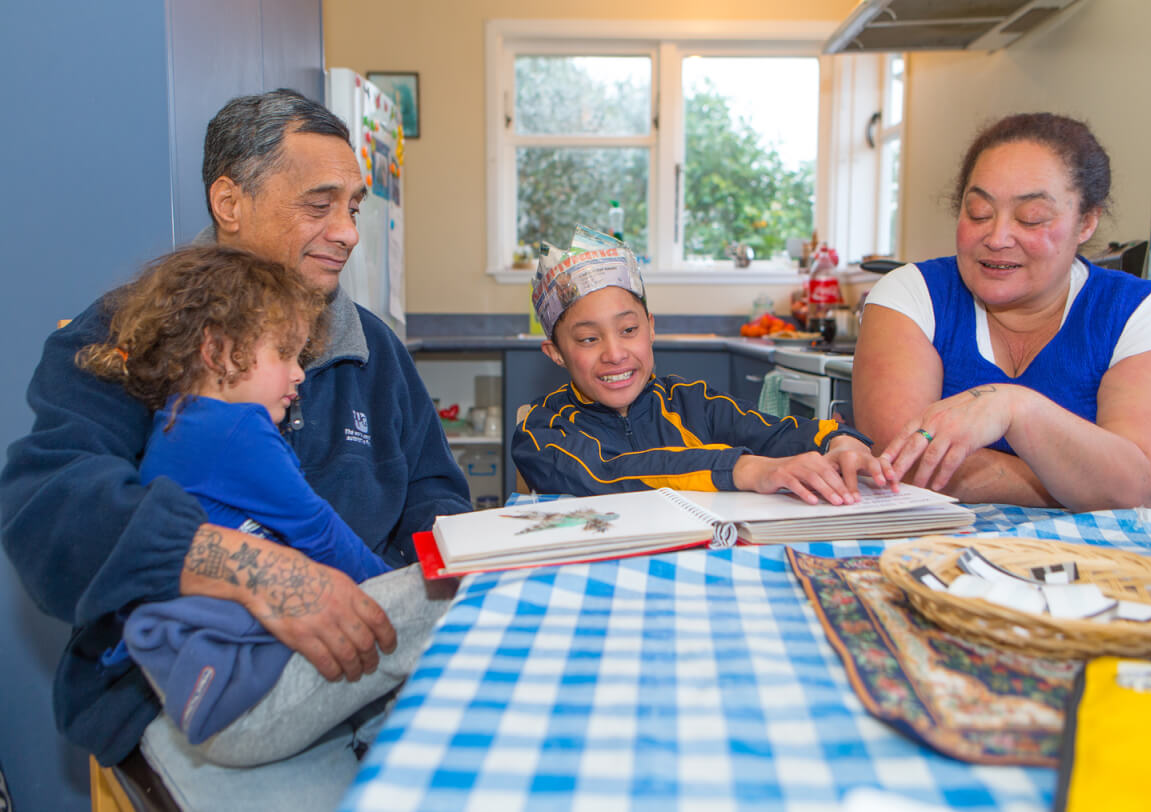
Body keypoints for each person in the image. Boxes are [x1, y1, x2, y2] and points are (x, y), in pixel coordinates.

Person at [0, 89, 471, 811]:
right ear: (230, 201)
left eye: (354, 205)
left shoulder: (376, 350)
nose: (346, 232)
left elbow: (435, 497)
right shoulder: (125, 336)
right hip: (192, 693)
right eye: (320, 205)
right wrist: (248, 566)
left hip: (370, 667)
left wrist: (394, 609)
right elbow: (47, 509)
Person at [75, 243, 442, 766]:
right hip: (247, 700)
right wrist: (394, 596)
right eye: (286, 354)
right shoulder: (236, 430)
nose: (299, 374)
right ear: (218, 352)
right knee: (443, 591)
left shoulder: (179, 426)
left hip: (215, 700)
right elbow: (320, 532)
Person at [852, 112, 1151, 511]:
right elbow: (904, 464)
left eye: (1031, 218)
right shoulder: (911, 294)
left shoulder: (1147, 314)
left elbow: (1144, 488)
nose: (998, 237)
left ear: (1087, 221)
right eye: (979, 213)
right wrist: (1084, 485)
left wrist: (1015, 408)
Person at [513, 226, 894, 503]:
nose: (614, 353)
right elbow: (609, 470)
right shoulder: (541, 430)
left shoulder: (692, 403)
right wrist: (744, 469)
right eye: (588, 339)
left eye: (628, 329)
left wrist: (837, 439)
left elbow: (774, 432)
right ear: (557, 353)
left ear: (651, 329)